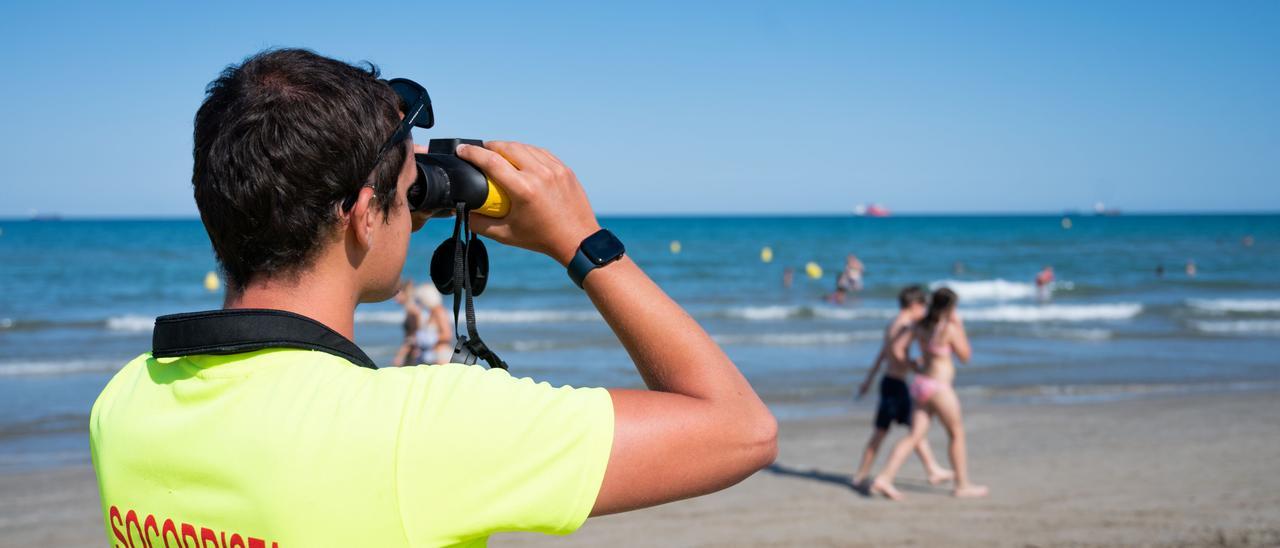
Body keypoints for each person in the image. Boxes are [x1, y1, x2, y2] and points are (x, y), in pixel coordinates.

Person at [89, 49, 776, 547]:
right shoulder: (421, 427)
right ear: (363, 214)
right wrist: (582, 240)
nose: (415, 211)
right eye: (410, 190)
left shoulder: (125, 401)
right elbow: (741, 430)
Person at [869, 287, 988, 500]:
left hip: (920, 384)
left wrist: (912, 364)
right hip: (940, 388)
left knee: (914, 436)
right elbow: (965, 356)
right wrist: (959, 326)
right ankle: (962, 485)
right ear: (950, 307)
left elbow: (896, 348)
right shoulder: (948, 328)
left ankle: (885, 478)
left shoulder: (920, 326)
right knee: (956, 433)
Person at [852, 285, 952, 489]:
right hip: (895, 385)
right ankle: (866, 476)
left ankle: (932, 469)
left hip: (890, 383)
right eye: (923, 306)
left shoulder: (893, 324)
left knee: (909, 430)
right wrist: (916, 366)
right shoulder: (905, 324)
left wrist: (868, 381)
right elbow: (897, 351)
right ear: (914, 305)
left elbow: (882, 354)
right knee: (893, 432)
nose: (924, 311)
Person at [392, 279, 452, 366]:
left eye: (420, 299)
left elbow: (447, 334)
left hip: (441, 355)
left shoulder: (439, 311)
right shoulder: (430, 313)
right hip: (431, 355)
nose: (419, 302)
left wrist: (427, 339)